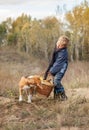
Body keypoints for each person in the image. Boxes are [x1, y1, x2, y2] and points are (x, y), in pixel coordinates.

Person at [43, 35, 69, 100]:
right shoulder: (57, 49)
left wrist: (52, 71)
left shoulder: (63, 52)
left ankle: (63, 95)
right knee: (54, 82)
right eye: (59, 43)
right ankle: (56, 97)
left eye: (63, 45)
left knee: (56, 80)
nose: (58, 45)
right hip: (56, 67)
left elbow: (58, 63)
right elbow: (53, 61)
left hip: (62, 67)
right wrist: (46, 74)